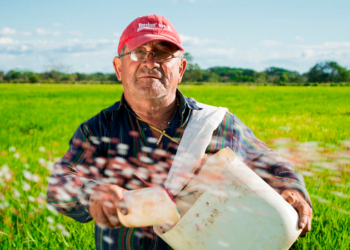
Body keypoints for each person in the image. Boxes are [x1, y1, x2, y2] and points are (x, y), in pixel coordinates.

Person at [47, 14, 312, 250]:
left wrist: (291, 188)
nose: (151, 62)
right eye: (139, 52)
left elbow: (268, 162)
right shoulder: (98, 130)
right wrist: (92, 194)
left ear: (181, 69)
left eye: (163, 54)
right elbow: (60, 184)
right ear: (119, 68)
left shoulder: (215, 124)